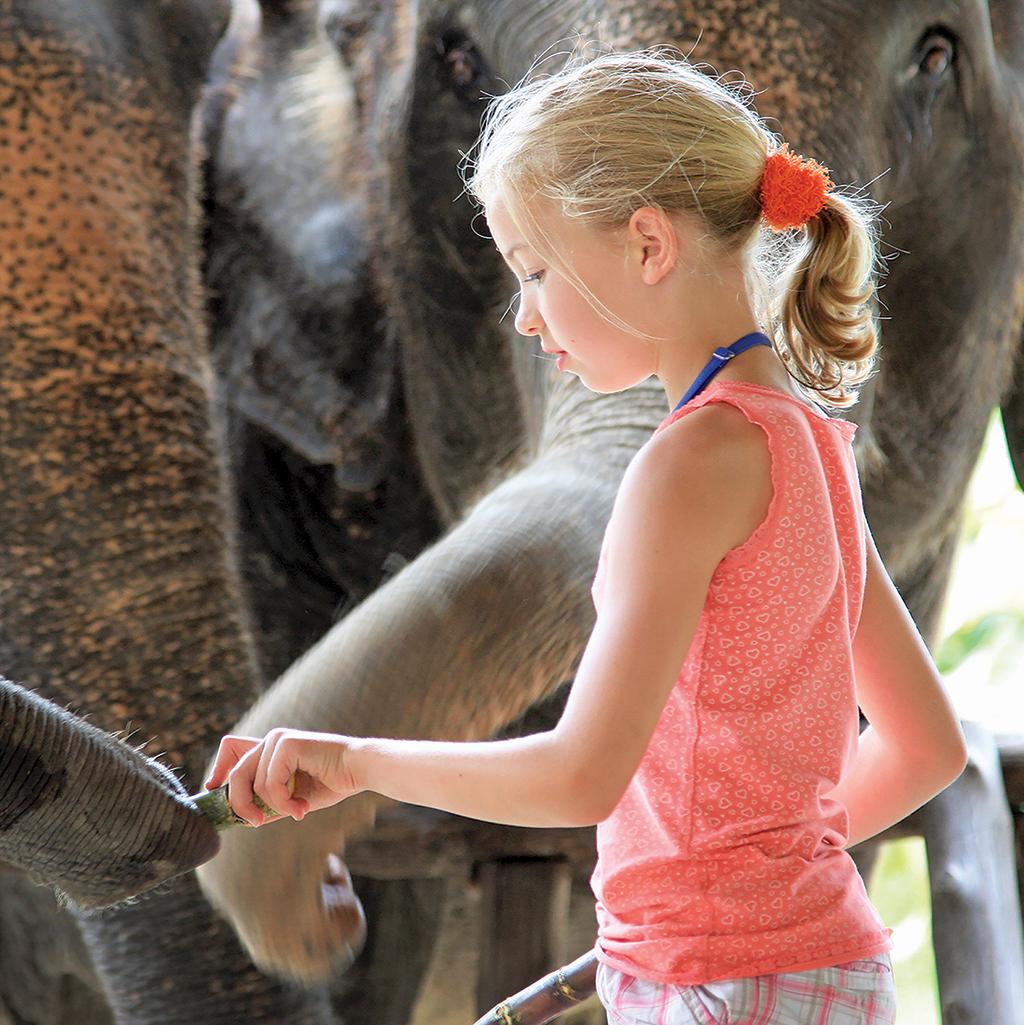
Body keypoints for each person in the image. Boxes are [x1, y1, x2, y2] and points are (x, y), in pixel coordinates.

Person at [204, 47, 968, 1024]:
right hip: (814, 968)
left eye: (532, 269)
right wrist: (739, 883)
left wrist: (352, 761)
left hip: (724, 987)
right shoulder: (808, 439)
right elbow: (924, 743)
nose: (524, 314)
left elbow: (581, 773)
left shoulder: (687, 462)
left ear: (647, 245)